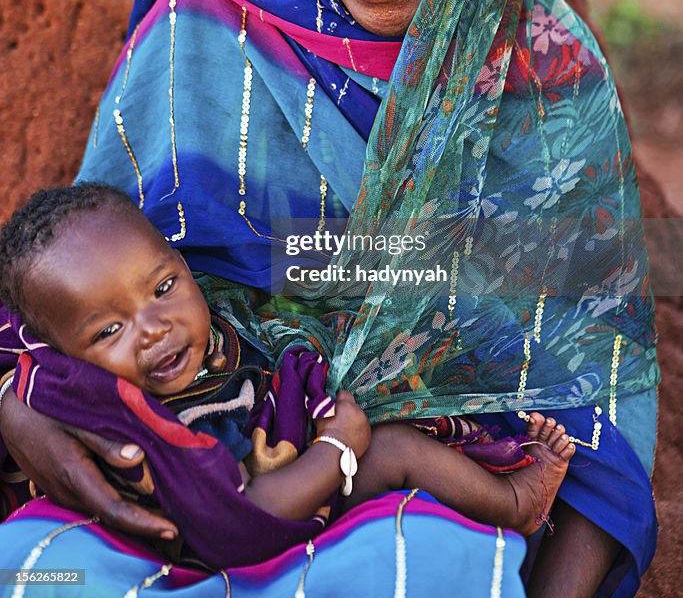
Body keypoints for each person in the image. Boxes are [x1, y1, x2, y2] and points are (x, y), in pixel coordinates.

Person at [0, 0, 657, 598]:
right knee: (40, 573)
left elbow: (591, 397)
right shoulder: (212, 24)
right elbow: (67, 287)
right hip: (176, 488)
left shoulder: (539, 76)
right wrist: (16, 405)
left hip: (409, 491)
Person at [0, 182, 574, 568]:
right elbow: (240, 515)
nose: (152, 328)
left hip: (288, 465)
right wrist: (335, 451)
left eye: (164, 287)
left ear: (182, 263)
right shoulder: (131, 424)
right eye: (108, 331)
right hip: (244, 531)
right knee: (392, 449)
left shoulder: (213, 329)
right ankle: (514, 503)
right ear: (58, 353)